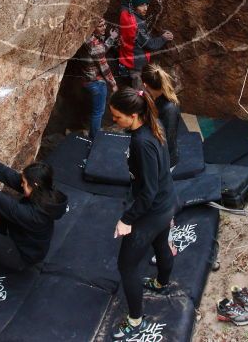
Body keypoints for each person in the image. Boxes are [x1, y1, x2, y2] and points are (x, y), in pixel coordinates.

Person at [108, 88, 177, 339]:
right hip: (167, 202)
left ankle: (136, 321)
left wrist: (126, 219)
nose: (114, 121)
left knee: (126, 267)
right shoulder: (153, 123)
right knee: (161, 244)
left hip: (153, 210)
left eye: (117, 117)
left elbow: (148, 192)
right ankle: (161, 283)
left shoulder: (141, 143)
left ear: (134, 114)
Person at [118, 0, 174, 89]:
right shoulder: (137, 24)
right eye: (142, 5)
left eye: (146, 4)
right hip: (135, 66)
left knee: (128, 87)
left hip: (125, 59)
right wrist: (163, 38)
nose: (146, 8)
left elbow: (124, 3)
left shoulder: (124, 14)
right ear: (135, 6)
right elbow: (149, 45)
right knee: (139, 93)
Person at [81, 18, 119, 139]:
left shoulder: (87, 38)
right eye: (100, 26)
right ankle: (94, 138)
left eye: (104, 25)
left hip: (86, 79)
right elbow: (104, 67)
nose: (104, 28)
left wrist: (111, 37)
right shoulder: (94, 44)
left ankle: (93, 135)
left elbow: (100, 51)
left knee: (96, 111)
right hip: (96, 82)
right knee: (98, 113)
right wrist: (113, 84)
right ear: (93, 28)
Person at [141, 63, 180, 171]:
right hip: (157, 154)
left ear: (145, 85)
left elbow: (167, 141)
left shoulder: (169, 109)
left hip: (164, 160)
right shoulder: (156, 97)